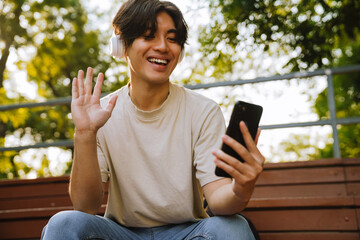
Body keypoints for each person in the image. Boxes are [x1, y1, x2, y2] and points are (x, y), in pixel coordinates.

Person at [41, 0, 265, 239]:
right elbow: (85, 207)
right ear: (121, 46)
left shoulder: (203, 111)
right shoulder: (100, 113)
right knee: (63, 224)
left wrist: (242, 189)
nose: (162, 47)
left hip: (188, 232)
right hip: (122, 233)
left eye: (172, 38)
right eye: (148, 36)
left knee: (233, 227)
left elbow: (219, 201)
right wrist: (84, 134)